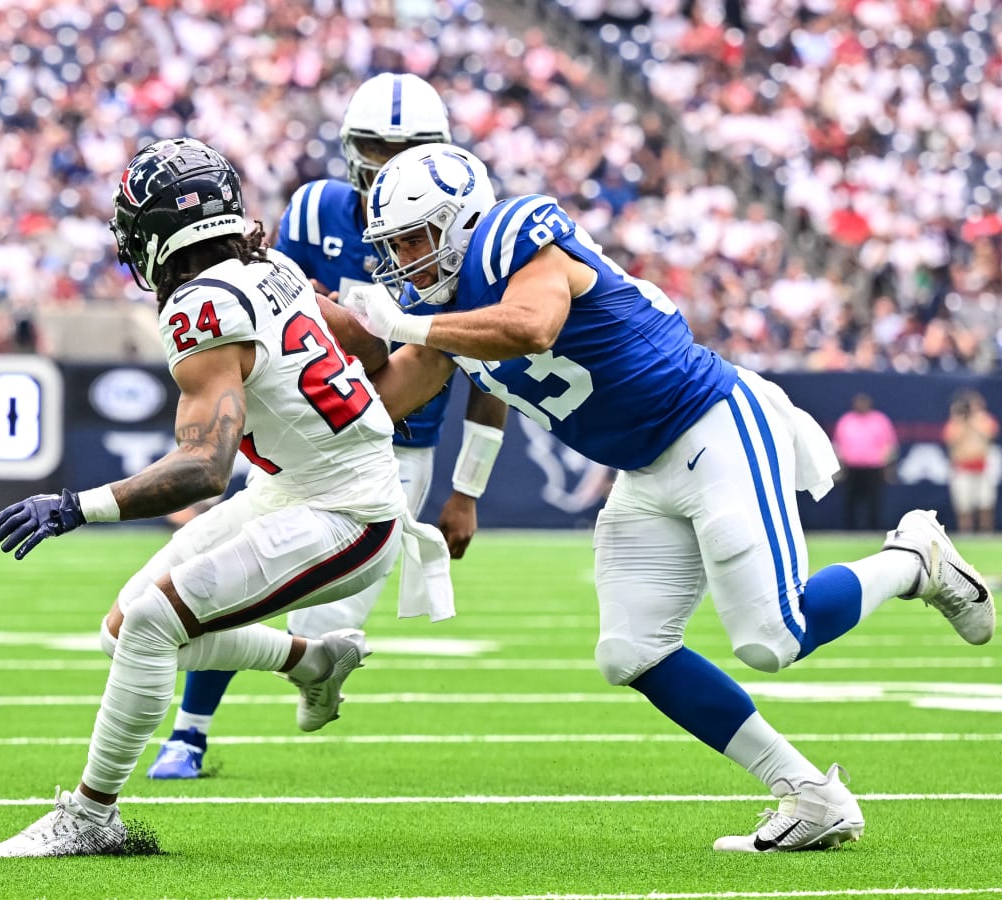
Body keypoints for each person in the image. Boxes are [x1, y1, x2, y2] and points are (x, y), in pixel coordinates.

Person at [338, 143, 996, 852]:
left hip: (711, 423)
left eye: (415, 237)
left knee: (772, 638)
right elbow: (380, 400)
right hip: (644, 469)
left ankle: (915, 559)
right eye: (394, 243)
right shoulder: (436, 314)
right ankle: (809, 794)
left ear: (463, 221)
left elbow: (532, 326)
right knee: (631, 651)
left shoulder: (515, 234)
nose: (403, 257)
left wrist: (402, 325)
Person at [0, 138, 451, 858]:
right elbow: (362, 340)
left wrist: (75, 507)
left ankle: (91, 815)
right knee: (122, 630)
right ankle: (310, 661)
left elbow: (204, 467)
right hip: (301, 487)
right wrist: (355, 414)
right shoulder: (272, 268)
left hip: (347, 513)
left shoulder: (202, 309)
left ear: (161, 233)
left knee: (148, 624)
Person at [146, 73, 508, 780]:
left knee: (310, 622)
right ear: (349, 148)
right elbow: (256, 317)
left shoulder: (464, 222)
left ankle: (310, 666)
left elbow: (481, 361)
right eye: (374, 145)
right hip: (304, 433)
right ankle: (188, 732)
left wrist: (467, 489)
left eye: (408, 147)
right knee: (221, 579)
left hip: (398, 445)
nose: (386, 160)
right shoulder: (315, 212)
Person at [831, 392, 897, 531]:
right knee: (851, 500)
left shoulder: (879, 420)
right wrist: (840, 465)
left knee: (874, 500)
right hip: (852, 467)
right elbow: (838, 445)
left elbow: (889, 445)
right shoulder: (846, 420)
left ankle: (873, 528)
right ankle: (850, 529)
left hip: (874, 467)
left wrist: (885, 463)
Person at [943, 389, 1000, 533]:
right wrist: (961, 420)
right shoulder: (956, 422)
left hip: (982, 467)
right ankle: (965, 533)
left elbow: (990, 434)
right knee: (963, 505)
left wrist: (974, 419)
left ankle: (985, 533)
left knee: (985, 503)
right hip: (962, 468)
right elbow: (950, 439)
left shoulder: (984, 420)